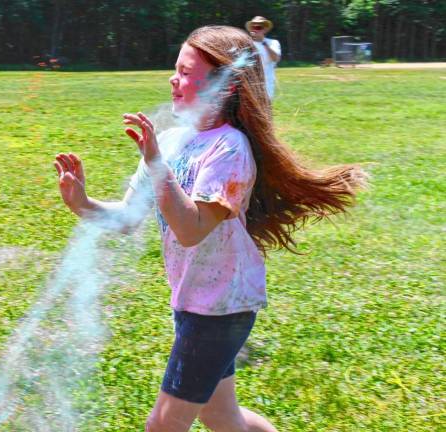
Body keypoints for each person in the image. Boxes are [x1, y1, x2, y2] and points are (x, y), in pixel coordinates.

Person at [54, 25, 366, 432]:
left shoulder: (229, 149)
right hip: (192, 300)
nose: (173, 79)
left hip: (221, 307)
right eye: (175, 69)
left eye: (186, 72)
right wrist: (81, 202)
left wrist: (155, 162)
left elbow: (190, 229)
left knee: (163, 425)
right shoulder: (170, 141)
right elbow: (129, 218)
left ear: (226, 86)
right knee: (221, 416)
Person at [245, 16, 281, 99]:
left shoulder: (273, 43)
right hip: (250, 83)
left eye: (258, 27)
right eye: (253, 27)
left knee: (265, 109)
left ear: (264, 29)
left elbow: (276, 59)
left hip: (266, 83)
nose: (255, 29)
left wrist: (263, 43)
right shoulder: (246, 43)